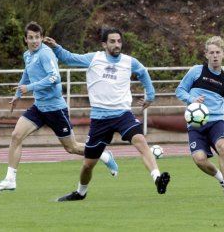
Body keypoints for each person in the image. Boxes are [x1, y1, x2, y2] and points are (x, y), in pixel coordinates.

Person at [43, 28, 170, 201]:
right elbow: (69, 58)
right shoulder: (94, 58)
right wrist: (57, 47)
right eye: (112, 41)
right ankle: (80, 192)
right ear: (104, 44)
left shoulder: (129, 61)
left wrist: (151, 96)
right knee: (88, 165)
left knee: (140, 140)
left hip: (122, 114)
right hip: (100, 119)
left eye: (119, 41)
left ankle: (157, 178)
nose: (117, 44)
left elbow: (143, 73)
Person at [0, 22, 118, 191]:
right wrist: (18, 95)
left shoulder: (46, 54)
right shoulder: (27, 55)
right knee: (16, 136)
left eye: (37, 37)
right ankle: (10, 180)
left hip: (55, 108)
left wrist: (29, 88)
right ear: (25, 39)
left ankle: (103, 154)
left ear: (42, 38)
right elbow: (27, 73)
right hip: (39, 107)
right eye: (31, 38)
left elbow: (54, 78)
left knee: (71, 148)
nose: (34, 41)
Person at [175, 36, 224, 198]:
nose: (215, 55)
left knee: (223, 146)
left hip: (216, 121)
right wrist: (192, 100)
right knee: (199, 159)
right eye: (211, 52)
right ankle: (220, 178)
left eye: (218, 52)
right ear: (206, 54)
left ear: (223, 55)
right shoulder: (195, 72)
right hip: (195, 124)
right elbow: (180, 91)